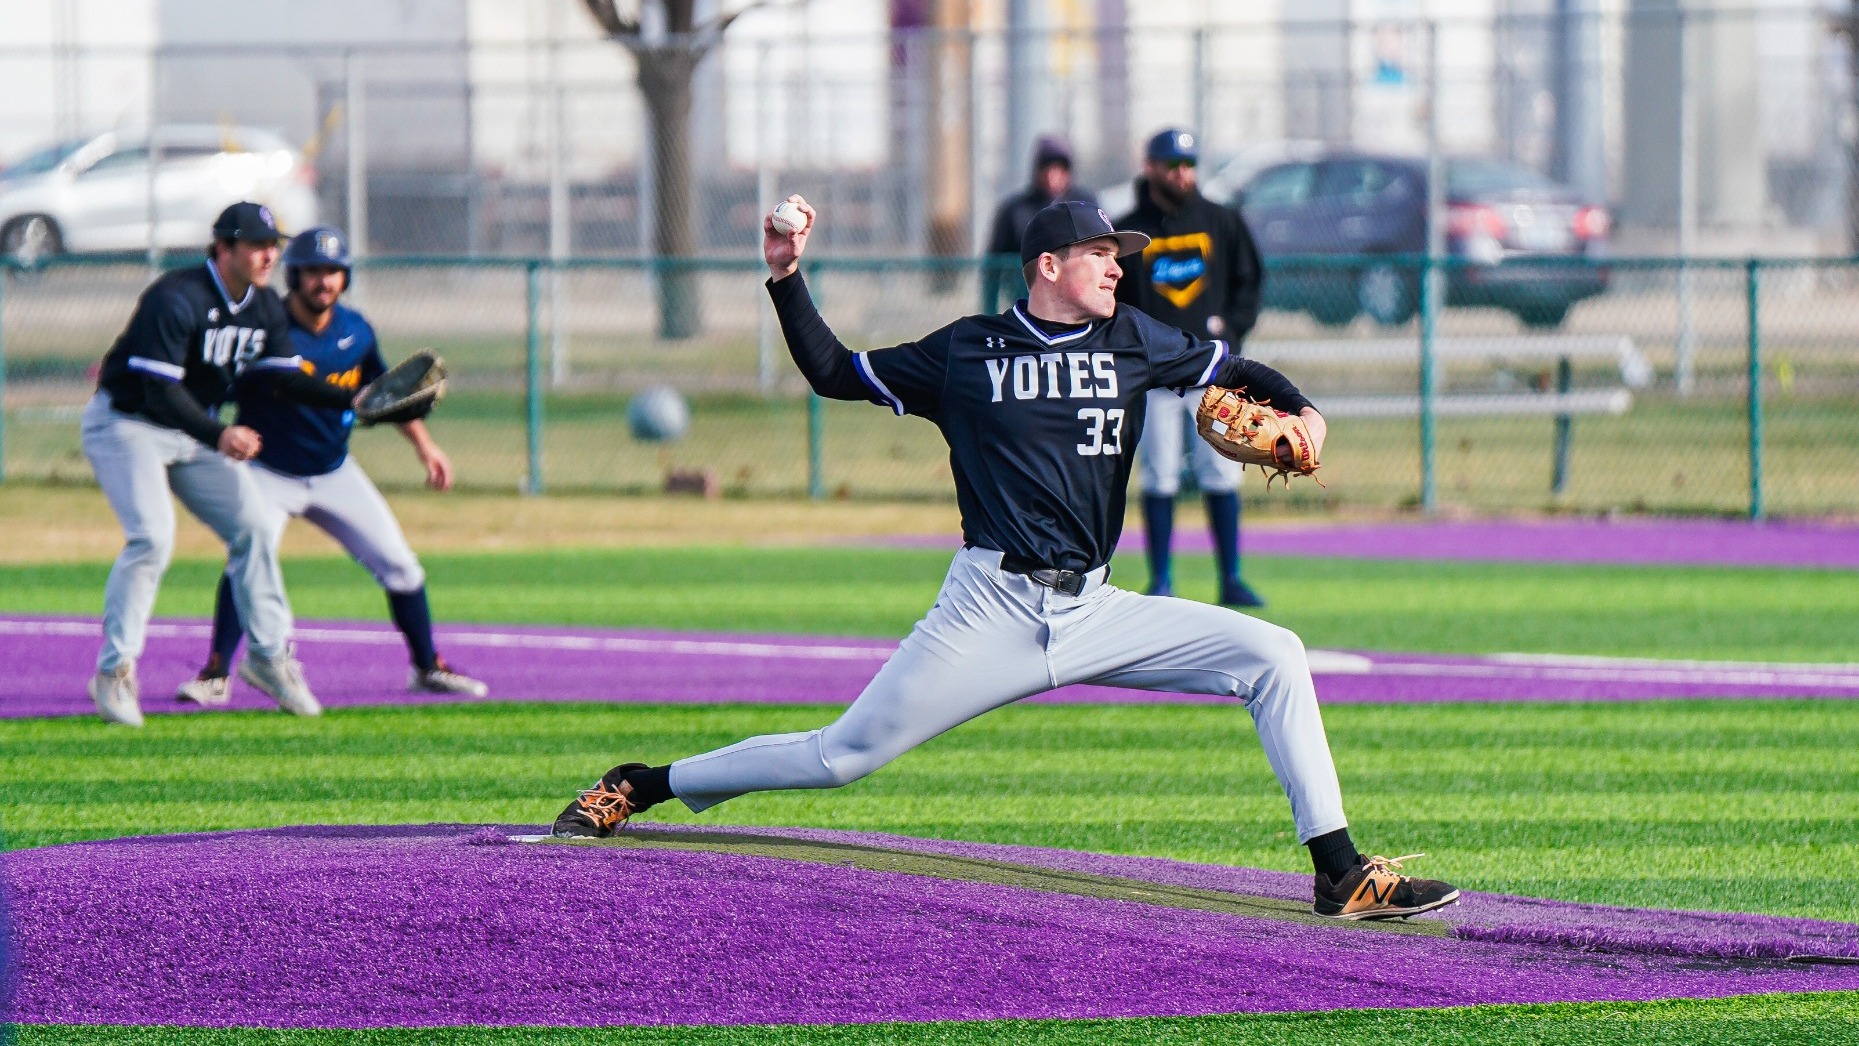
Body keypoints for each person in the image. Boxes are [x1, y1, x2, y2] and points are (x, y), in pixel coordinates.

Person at [548, 196, 1459, 922]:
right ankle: (644, 782)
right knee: (840, 757)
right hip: (988, 609)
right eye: (1103, 254)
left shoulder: (1134, 339)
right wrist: (785, 277)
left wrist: (1305, 412)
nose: (1118, 265)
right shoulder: (966, 353)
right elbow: (835, 372)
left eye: (1119, 255)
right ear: (1049, 267)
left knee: (1275, 655)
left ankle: (1339, 874)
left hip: (1098, 610)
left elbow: (1234, 368)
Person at [173, 226, 487, 706]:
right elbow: (213, 383)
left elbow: (383, 395)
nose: (324, 281)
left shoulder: (355, 331)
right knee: (247, 562)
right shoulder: (265, 328)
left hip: (334, 471)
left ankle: (428, 667)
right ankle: (216, 673)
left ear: (346, 278)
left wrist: (425, 447)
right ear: (294, 276)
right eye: (314, 271)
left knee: (402, 568)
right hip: (267, 472)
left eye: (333, 272)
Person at [82, 202, 348, 726]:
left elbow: (284, 378)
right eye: (255, 244)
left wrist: (352, 399)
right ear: (223, 249)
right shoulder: (176, 296)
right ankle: (114, 671)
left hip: (192, 430)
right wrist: (219, 433)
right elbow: (159, 392)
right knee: (152, 537)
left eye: (273, 244)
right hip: (127, 423)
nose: (269, 253)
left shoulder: (265, 306)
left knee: (252, 526)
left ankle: (269, 657)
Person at [1115, 128, 1268, 607]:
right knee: (1158, 475)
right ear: (1151, 168)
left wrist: (1233, 332)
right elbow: (1113, 298)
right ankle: (1161, 578)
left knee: (1221, 472)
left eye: (1189, 164)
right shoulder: (1131, 229)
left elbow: (1250, 280)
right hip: (1157, 378)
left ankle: (1232, 577)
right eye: (1172, 164)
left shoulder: (1220, 221)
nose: (1183, 173)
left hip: (1212, 375)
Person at [981, 134, 1098, 312]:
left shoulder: (1085, 205)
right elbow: (993, 265)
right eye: (1047, 167)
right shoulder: (1015, 209)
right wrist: (990, 312)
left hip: (1079, 303)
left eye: (1059, 167)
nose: (1052, 175)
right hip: (1027, 302)